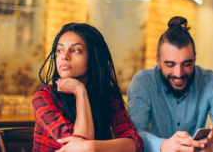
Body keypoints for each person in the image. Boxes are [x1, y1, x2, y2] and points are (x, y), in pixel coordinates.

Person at [127, 16, 213, 152]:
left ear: (194, 58)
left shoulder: (212, 82)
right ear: (158, 61)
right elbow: (132, 134)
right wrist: (163, 145)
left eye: (187, 64)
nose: (178, 73)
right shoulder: (142, 82)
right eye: (170, 64)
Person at [32, 23, 143, 152]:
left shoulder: (108, 95)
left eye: (75, 50)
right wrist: (80, 92)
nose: (64, 56)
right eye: (60, 50)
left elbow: (134, 144)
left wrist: (92, 146)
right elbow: (77, 149)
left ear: (93, 57)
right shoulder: (44, 96)